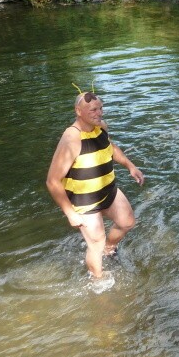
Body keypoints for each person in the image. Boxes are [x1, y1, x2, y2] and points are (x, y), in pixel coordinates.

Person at [46, 90, 144, 279]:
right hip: (84, 200)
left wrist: (129, 165)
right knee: (96, 243)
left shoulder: (101, 127)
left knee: (127, 222)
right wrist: (70, 213)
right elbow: (52, 181)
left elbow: (110, 147)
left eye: (100, 108)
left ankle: (110, 248)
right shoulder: (71, 139)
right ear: (78, 111)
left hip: (108, 190)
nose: (99, 113)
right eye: (93, 110)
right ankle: (97, 282)